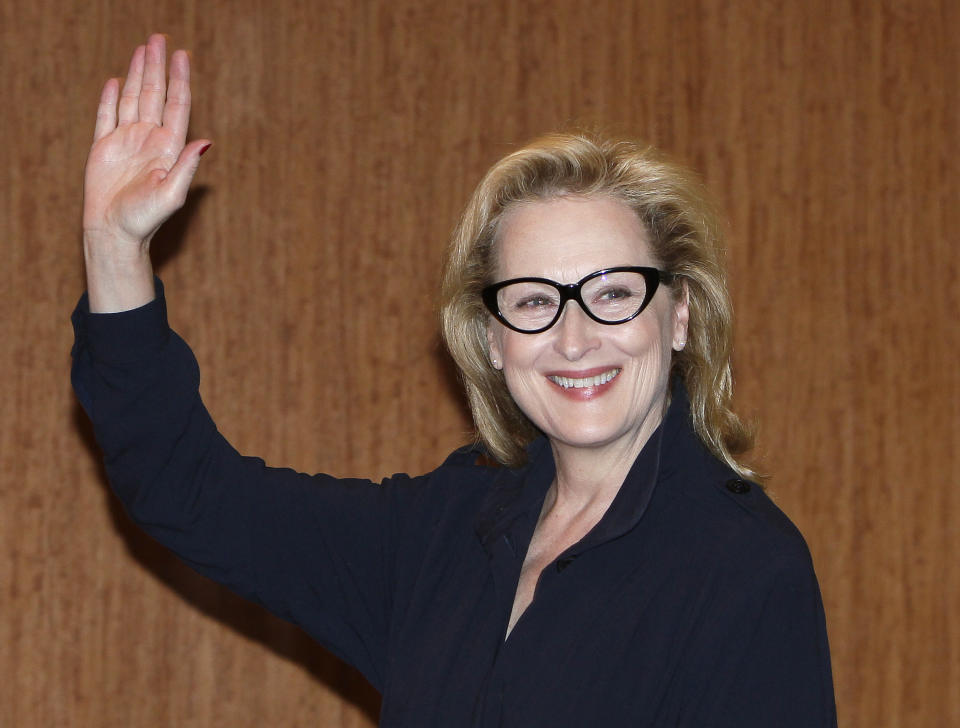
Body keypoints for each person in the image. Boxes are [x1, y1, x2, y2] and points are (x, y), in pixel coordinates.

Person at [73, 34, 837, 727]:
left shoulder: (745, 572)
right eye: (534, 301)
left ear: (679, 317)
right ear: (495, 339)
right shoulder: (449, 528)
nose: (574, 340)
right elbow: (190, 492)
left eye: (612, 293)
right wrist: (114, 245)